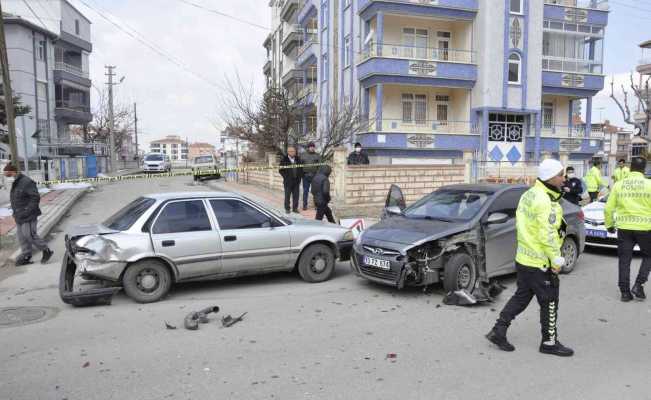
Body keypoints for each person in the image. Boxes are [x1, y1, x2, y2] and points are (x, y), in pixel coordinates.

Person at [486, 158, 574, 357]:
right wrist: (556, 260)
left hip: (525, 259)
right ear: (550, 177)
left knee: (522, 297)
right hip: (541, 262)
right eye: (561, 175)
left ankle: (498, 330)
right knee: (550, 301)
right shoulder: (546, 202)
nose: (564, 178)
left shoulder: (529, 194)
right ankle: (549, 342)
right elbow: (547, 235)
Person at [604, 157, 651, 302]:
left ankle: (625, 293)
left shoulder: (619, 185)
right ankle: (639, 284)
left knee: (624, 260)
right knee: (649, 256)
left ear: (630, 168)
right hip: (645, 227)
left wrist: (609, 225)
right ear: (644, 169)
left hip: (624, 228)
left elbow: (608, 208)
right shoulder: (649, 184)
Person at [4, 164, 53, 266]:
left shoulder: (26, 182)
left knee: (30, 235)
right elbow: (18, 198)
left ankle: (46, 250)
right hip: (19, 215)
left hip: (28, 215)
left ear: (12, 171)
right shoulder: (16, 182)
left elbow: (35, 197)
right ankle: (26, 256)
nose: (5, 175)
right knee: (21, 237)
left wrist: (27, 211)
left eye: (6, 173)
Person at [279, 146, 303, 214]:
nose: (293, 153)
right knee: (287, 195)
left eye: (294, 151)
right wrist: (286, 177)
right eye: (292, 151)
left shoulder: (298, 159)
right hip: (288, 181)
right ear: (288, 152)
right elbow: (281, 170)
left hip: (296, 181)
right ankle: (287, 208)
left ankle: (295, 208)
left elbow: (301, 169)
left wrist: (299, 177)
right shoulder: (284, 159)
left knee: (296, 196)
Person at [301, 142, 321, 211]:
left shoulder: (317, 155)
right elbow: (300, 165)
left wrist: (317, 175)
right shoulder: (303, 155)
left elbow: (320, 166)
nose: (312, 148)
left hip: (314, 176)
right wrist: (301, 174)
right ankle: (304, 205)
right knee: (305, 191)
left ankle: (316, 205)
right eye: (310, 147)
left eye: (313, 147)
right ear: (308, 147)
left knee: (315, 191)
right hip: (305, 176)